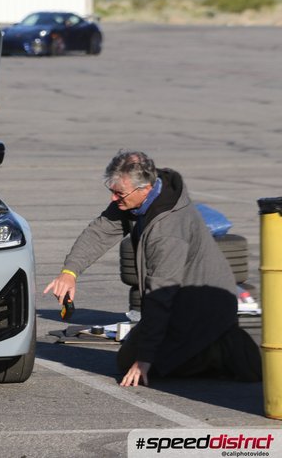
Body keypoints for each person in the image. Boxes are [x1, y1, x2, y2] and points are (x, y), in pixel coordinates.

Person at [44, 150, 261, 387]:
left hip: (202, 309)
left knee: (144, 364)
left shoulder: (168, 232)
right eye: (112, 191)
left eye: (119, 193)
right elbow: (100, 231)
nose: (114, 199)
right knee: (127, 359)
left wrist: (145, 360)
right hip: (177, 299)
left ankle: (220, 350)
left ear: (145, 188)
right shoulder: (135, 200)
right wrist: (69, 272)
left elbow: (161, 294)